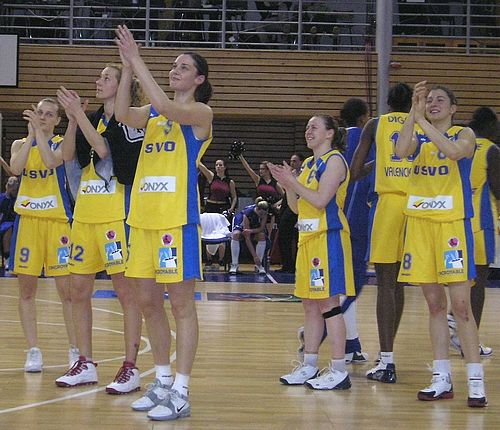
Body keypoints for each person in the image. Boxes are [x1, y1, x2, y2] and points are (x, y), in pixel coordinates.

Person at [114, 24, 213, 421]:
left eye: (183, 67)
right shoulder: (153, 113)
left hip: (176, 223)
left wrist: (138, 61)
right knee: (148, 304)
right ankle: (162, 380)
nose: (175, 70)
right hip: (143, 221)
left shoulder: (200, 113)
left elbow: (170, 108)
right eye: (173, 65)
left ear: (199, 79)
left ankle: (183, 390)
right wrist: (125, 71)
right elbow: (123, 114)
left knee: (181, 307)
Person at [54, 64, 145, 394]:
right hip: (85, 215)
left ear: (122, 86)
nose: (98, 81)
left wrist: (78, 114)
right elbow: (66, 155)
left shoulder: (128, 119)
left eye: (106, 77)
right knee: (77, 291)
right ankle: (86, 362)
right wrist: (73, 118)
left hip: (115, 216)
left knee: (126, 293)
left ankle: (130, 366)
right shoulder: (88, 117)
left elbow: (105, 150)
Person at [396, 81, 486, 407]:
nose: (432, 103)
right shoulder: (417, 133)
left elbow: (453, 152)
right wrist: (413, 112)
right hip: (420, 226)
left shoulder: (465, 134)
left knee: (460, 308)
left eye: (439, 100)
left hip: (451, 228)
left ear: (452, 108)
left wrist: (422, 122)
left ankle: (476, 382)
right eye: (428, 99)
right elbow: (400, 151)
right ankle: (441, 378)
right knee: (434, 306)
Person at [270, 114, 355, 390]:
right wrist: (287, 185)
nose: (308, 131)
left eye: (314, 126)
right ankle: (309, 365)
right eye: (306, 127)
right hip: (307, 239)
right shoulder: (308, 164)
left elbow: (320, 201)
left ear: (330, 133)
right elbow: (296, 208)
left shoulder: (335, 161)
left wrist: (293, 183)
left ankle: (339, 369)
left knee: (329, 305)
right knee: (309, 304)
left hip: (328, 238)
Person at [350, 83, 413, 383]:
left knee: (386, 283)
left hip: (389, 205)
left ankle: (386, 360)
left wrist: (380, 162)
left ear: (387, 102)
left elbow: (355, 169)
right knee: (402, 284)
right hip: (421, 205)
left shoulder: (376, 124)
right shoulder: (421, 124)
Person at [9, 98, 77, 372]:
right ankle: (33, 350)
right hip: (28, 222)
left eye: (49, 114)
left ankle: (75, 349)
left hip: (58, 223)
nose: (44, 117)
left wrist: (39, 134)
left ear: (58, 120)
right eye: (40, 113)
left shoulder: (62, 143)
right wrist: (30, 137)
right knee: (27, 291)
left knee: (67, 292)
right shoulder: (19, 144)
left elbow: (50, 162)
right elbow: (16, 168)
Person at [447, 106, 500, 356]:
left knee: (462, 281)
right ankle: (470, 342)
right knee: (478, 283)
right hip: (481, 224)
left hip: (455, 221)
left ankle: (451, 318)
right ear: (490, 126)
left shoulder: (459, 143)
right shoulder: (491, 149)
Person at [199, 159, 237, 268]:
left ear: (225, 167)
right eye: (216, 165)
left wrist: (231, 208)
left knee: (221, 233)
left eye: (220, 165)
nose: (218, 167)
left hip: (223, 208)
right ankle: (209, 259)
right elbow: (202, 167)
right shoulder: (211, 177)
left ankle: (221, 259)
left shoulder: (230, 182)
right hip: (210, 207)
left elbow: (234, 197)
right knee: (208, 231)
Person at [276, 152, 304, 273]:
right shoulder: (290, 174)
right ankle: (286, 264)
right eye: (291, 161)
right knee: (283, 234)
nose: (292, 163)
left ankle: (298, 264)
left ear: (301, 162)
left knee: (298, 236)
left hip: (298, 205)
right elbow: (280, 185)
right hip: (287, 203)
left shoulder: (304, 175)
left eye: (295, 161)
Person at [229, 198, 269, 275]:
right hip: (241, 223)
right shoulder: (248, 213)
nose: (262, 216)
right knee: (236, 234)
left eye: (264, 214)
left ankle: (259, 265)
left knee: (262, 236)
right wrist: (255, 256)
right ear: (257, 209)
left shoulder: (264, 213)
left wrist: (251, 231)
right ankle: (234, 264)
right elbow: (247, 238)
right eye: (261, 214)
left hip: (253, 227)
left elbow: (261, 228)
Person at [0, 175, 20, 269]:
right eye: (11, 187)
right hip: (4, 223)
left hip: (18, 222)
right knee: (8, 227)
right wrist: (7, 194)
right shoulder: (2, 197)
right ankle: (7, 258)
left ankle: (11, 258)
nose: (13, 191)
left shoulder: (20, 198)